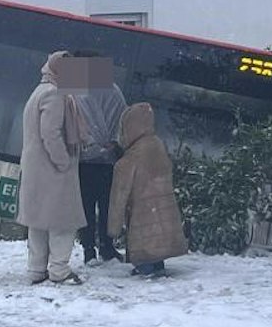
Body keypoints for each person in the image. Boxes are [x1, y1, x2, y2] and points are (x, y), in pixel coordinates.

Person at [19, 51, 88, 284]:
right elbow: (50, 133)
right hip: (52, 169)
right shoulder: (55, 94)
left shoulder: (39, 91)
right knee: (63, 222)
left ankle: (36, 270)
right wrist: (63, 162)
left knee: (39, 222)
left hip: (37, 168)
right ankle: (59, 270)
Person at [107, 103, 188, 278]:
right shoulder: (158, 145)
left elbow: (118, 196)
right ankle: (158, 264)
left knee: (145, 243)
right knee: (160, 237)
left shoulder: (130, 158)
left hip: (142, 215)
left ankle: (145, 268)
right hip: (163, 210)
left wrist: (113, 229)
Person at [71, 52, 128, 265]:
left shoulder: (76, 91)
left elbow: (70, 121)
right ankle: (106, 245)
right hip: (108, 161)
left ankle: (88, 249)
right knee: (107, 206)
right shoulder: (113, 90)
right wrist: (112, 145)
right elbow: (123, 119)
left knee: (85, 206)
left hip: (83, 161)